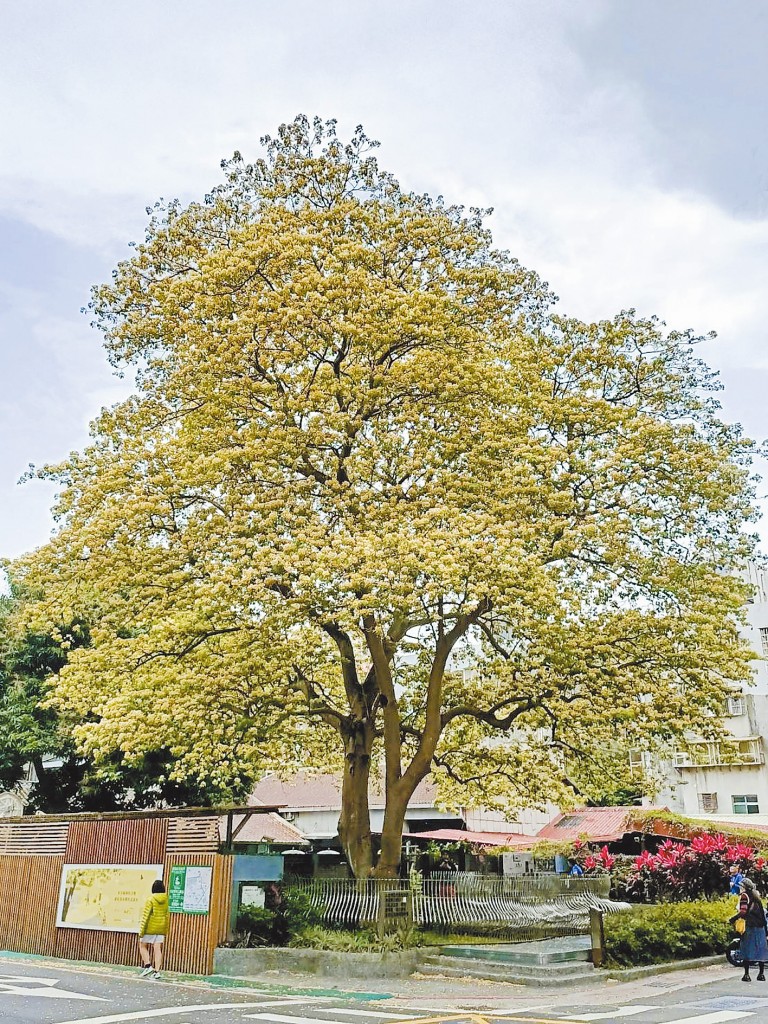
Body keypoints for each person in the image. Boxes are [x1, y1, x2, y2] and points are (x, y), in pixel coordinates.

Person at [730, 878, 768, 982]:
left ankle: (746, 975)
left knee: (746, 949)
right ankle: (761, 975)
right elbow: (763, 916)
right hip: (760, 927)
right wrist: (766, 931)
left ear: (744, 887)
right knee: (760, 951)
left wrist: (733, 919)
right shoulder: (757, 897)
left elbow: (743, 911)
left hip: (749, 926)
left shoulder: (744, 896)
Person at [138, 879, 169, 980]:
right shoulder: (166, 899)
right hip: (160, 928)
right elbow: (167, 915)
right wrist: (165, 928)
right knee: (157, 949)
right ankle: (157, 971)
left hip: (150, 927)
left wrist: (141, 931)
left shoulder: (150, 899)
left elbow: (145, 916)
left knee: (142, 945)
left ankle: (148, 966)